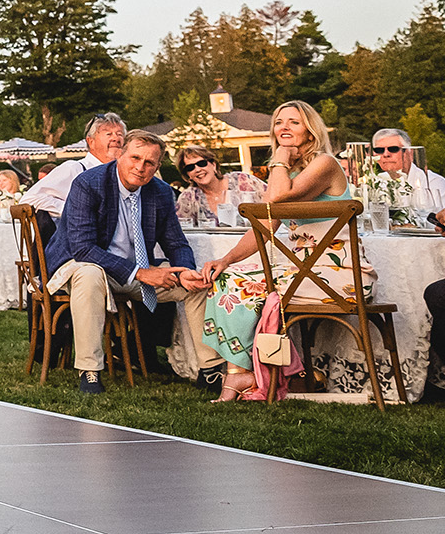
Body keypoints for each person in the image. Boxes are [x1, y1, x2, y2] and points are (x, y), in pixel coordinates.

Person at [199, 102, 360, 400]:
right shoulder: (289, 173)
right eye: (278, 122)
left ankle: (246, 376)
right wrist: (226, 258)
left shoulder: (325, 164)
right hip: (303, 270)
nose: (283, 127)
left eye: (294, 123)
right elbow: (266, 224)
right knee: (225, 277)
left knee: (238, 286)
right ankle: (239, 374)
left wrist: (280, 157)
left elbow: (274, 201)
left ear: (310, 131)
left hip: (337, 274)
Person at [47, 130, 217, 396]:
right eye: (135, 157)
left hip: (134, 270)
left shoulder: (160, 192)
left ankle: (210, 370)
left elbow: (176, 242)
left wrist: (185, 272)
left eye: (150, 163)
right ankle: (90, 371)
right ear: (120, 154)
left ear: (158, 166)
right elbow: (83, 249)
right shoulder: (88, 183)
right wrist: (140, 273)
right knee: (90, 274)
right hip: (84, 266)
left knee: (197, 285)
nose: (140, 167)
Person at [20, 113, 126, 242]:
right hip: (84, 250)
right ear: (90, 141)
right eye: (108, 134)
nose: (116, 138)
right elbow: (29, 199)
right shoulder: (75, 169)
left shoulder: (128, 175)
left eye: (120, 134)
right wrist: (76, 211)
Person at [174, 146, 266, 228]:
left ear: (213, 165)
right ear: (188, 175)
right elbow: (180, 230)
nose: (197, 169)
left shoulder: (243, 180)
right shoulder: (188, 198)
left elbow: (274, 199)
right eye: (190, 168)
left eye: (201, 163)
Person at [370, 129, 445, 220]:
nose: (386, 154)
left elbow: (440, 224)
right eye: (379, 150)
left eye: (393, 149)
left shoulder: (433, 183)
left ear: (409, 153)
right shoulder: (377, 184)